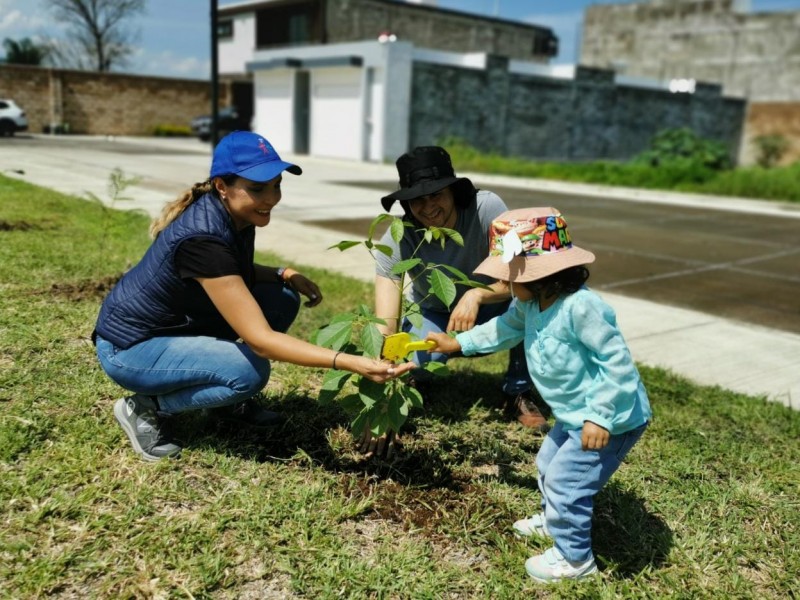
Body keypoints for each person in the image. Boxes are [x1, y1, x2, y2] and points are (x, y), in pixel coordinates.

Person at [93, 131, 414, 462]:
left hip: (173, 327)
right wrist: (350, 362)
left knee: (282, 297)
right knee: (249, 372)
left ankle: (224, 402)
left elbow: (232, 270)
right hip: (131, 349)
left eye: (276, 185)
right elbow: (260, 340)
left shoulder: (232, 214)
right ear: (222, 186)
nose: (271, 198)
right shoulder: (203, 240)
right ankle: (144, 407)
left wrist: (283, 274)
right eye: (258, 189)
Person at [426, 207, 652, 583]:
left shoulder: (582, 308)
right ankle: (554, 520)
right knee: (548, 462)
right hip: (572, 413)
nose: (506, 286)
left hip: (610, 418)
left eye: (511, 278)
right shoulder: (529, 303)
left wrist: (600, 415)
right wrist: (458, 343)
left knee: (567, 483)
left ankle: (575, 559)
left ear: (544, 274)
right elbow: (502, 330)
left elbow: (618, 366)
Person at [372, 146, 549, 435]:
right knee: (418, 365)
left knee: (534, 305)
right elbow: (387, 318)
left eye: (436, 195)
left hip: (497, 305)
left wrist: (477, 294)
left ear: (454, 192)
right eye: (417, 199)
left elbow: (523, 273)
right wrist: (384, 362)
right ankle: (416, 383)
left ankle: (519, 390)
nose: (428, 207)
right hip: (437, 314)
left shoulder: (487, 208)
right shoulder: (401, 235)